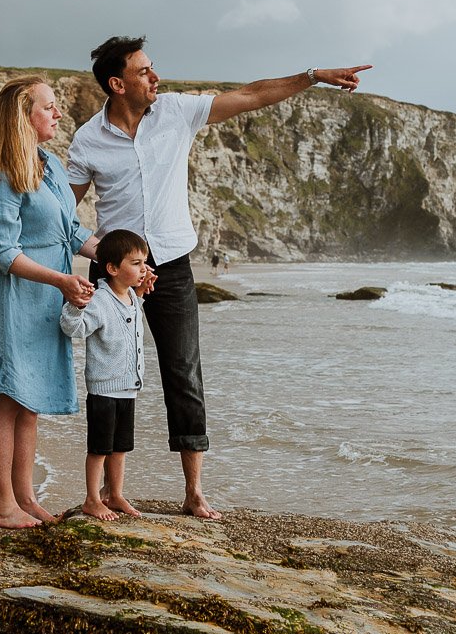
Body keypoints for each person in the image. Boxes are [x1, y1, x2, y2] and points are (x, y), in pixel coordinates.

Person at [68, 36, 370, 520]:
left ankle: (193, 492)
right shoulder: (88, 139)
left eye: (153, 69)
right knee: (112, 379)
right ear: (117, 84)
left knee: (183, 374)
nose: (155, 77)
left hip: (170, 265)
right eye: (145, 71)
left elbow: (249, 95)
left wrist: (312, 77)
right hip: (115, 274)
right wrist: (98, 255)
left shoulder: (176, 112)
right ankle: (104, 494)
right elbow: (64, 213)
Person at [0, 75, 98, 529]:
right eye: (49, 106)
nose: (58, 113)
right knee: (6, 400)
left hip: (46, 297)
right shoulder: (3, 175)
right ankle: (3, 505)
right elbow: (3, 252)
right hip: (11, 297)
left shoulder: (52, 166)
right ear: (25, 116)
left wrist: (119, 257)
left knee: (30, 402)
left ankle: (25, 499)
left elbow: (71, 231)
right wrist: (62, 280)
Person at [59, 228, 151, 522]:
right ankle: (92, 498)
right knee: (99, 448)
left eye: (144, 262)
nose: (143, 269)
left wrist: (140, 293)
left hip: (128, 388)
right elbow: (74, 329)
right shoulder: (99, 299)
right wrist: (76, 305)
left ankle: (115, 493)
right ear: (112, 268)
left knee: (120, 447)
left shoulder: (132, 299)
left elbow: (129, 321)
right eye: (135, 263)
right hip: (104, 389)